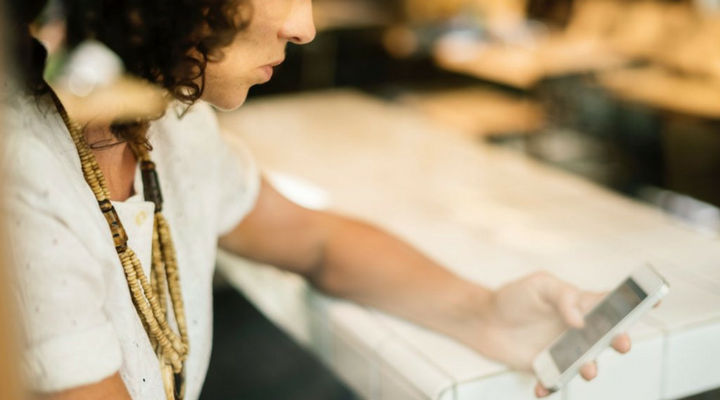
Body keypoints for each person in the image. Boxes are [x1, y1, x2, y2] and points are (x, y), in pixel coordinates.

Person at [4, 0, 631, 399]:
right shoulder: (23, 180)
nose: (303, 26)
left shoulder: (174, 122)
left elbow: (316, 241)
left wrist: (487, 313)